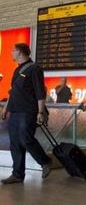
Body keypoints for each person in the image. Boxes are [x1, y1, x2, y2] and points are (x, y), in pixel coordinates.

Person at [0, 43, 52, 184]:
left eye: (13, 50)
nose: (11, 52)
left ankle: (45, 161)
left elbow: (40, 92)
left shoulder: (34, 69)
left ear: (20, 52)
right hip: (15, 111)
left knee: (26, 139)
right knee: (15, 143)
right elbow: (12, 91)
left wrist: (40, 112)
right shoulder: (17, 71)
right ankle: (17, 174)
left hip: (28, 111)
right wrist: (6, 108)